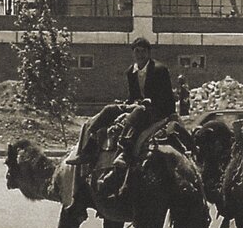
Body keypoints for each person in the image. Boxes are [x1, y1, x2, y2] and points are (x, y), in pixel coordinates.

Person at [66, 37, 176, 167]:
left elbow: (166, 97)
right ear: (133, 53)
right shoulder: (131, 71)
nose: (140, 55)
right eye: (137, 51)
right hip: (139, 106)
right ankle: (90, 148)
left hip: (158, 110)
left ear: (148, 53)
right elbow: (133, 96)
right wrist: (127, 103)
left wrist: (147, 103)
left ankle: (124, 150)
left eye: (143, 52)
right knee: (110, 109)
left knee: (139, 112)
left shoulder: (159, 70)